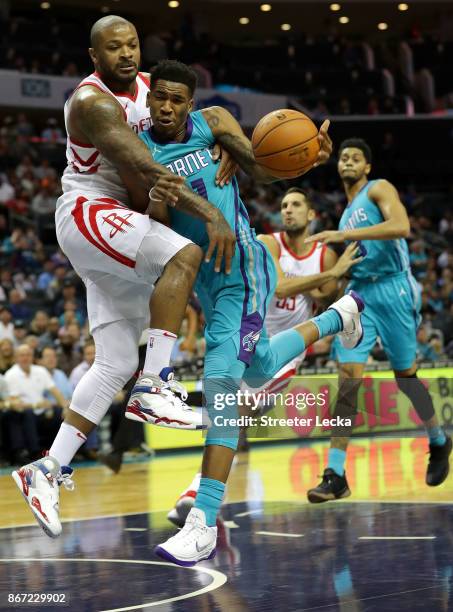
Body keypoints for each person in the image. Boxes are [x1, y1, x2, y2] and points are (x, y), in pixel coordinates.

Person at [11, 15, 237, 539]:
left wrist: (219, 141)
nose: (127, 54)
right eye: (114, 48)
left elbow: (186, 128)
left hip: (123, 223)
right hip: (90, 209)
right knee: (184, 255)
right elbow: (146, 167)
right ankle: (156, 383)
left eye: (133, 43)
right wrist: (211, 214)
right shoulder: (91, 103)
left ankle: (47, 468)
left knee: (114, 361)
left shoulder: (149, 89)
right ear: (95, 57)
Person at [134, 59, 364, 566]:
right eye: (161, 98)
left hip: (242, 266)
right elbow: (148, 220)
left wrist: (308, 160)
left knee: (222, 384)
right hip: (202, 283)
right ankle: (339, 315)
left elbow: (262, 166)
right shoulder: (140, 150)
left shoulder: (212, 122)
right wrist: (155, 198)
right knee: (258, 365)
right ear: (148, 99)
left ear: (190, 103)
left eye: (178, 99)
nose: (168, 106)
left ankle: (202, 522)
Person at [167, 187, 363, 526]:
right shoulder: (270, 244)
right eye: (284, 205)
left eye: (297, 204)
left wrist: (333, 282)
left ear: (312, 214)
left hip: (282, 354)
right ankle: (207, 494)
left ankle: (200, 491)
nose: (288, 210)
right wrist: (326, 280)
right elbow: (281, 288)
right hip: (250, 330)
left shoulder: (325, 256)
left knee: (234, 405)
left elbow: (327, 291)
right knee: (226, 406)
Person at [305, 138, 451, 503]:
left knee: (406, 377)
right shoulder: (345, 212)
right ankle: (335, 473)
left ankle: (438, 440)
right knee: (348, 379)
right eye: (343, 158)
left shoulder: (378, 188)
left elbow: (401, 226)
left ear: (367, 167)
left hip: (394, 289)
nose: (348, 162)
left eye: (356, 158)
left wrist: (344, 235)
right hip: (359, 293)